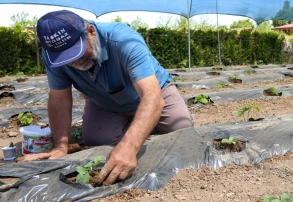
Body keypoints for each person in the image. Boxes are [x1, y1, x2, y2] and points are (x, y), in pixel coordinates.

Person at [23, 10, 194, 185]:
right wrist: (60, 146)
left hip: (154, 92)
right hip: (103, 100)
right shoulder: (54, 57)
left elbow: (152, 96)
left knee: (180, 127)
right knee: (95, 139)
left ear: (91, 32)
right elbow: (59, 99)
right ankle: (136, 125)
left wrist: (129, 147)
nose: (73, 62)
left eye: (77, 52)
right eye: (65, 58)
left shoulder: (124, 41)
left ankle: (142, 124)